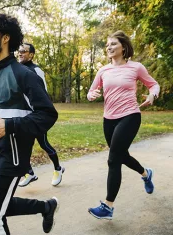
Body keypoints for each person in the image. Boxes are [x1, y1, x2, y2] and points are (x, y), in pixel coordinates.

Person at [0, 13, 59, 234]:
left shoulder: (24, 75)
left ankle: (46, 207)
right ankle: (46, 207)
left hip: (12, 157)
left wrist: (11, 125)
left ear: (5, 38)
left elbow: (47, 114)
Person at [87, 30, 160, 220]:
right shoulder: (103, 70)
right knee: (121, 155)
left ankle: (108, 207)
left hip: (130, 116)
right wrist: (92, 95)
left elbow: (153, 84)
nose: (109, 47)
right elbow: (91, 91)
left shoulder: (136, 67)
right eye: (107, 45)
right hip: (108, 119)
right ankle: (146, 173)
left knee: (113, 159)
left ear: (123, 47)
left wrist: (152, 95)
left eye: (113, 44)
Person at [17, 43, 65, 187]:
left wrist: (39, 112)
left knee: (43, 143)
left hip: (37, 114)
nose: (19, 53)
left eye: (23, 51)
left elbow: (41, 92)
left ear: (31, 54)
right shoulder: (17, 69)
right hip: (23, 114)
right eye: (18, 51)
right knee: (23, 144)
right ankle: (29, 173)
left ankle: (58, 169)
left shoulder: (36, 70)